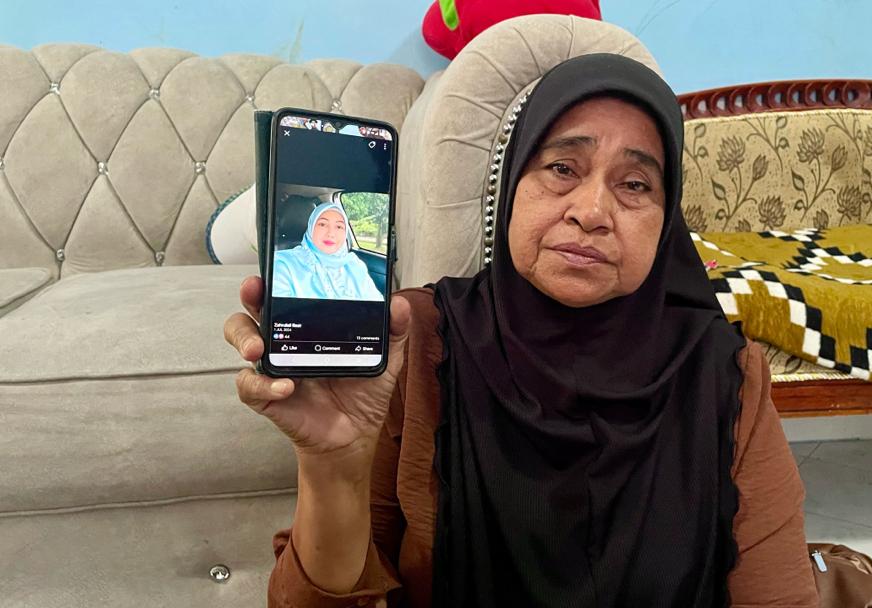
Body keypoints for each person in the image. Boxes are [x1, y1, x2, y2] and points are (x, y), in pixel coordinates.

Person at [225, 54, 818, 607]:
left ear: (667, 222)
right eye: (562, 167)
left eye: (635, 184)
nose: (590, 211)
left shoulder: (722, 373)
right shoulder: (421, 339)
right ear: (510, 187)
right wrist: (333, 466)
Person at [272, 200, 383, 301]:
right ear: (311, 227)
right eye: (323, 224)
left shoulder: (355, 265)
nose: (331, 233)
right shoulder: (282, 263)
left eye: (339, 227)